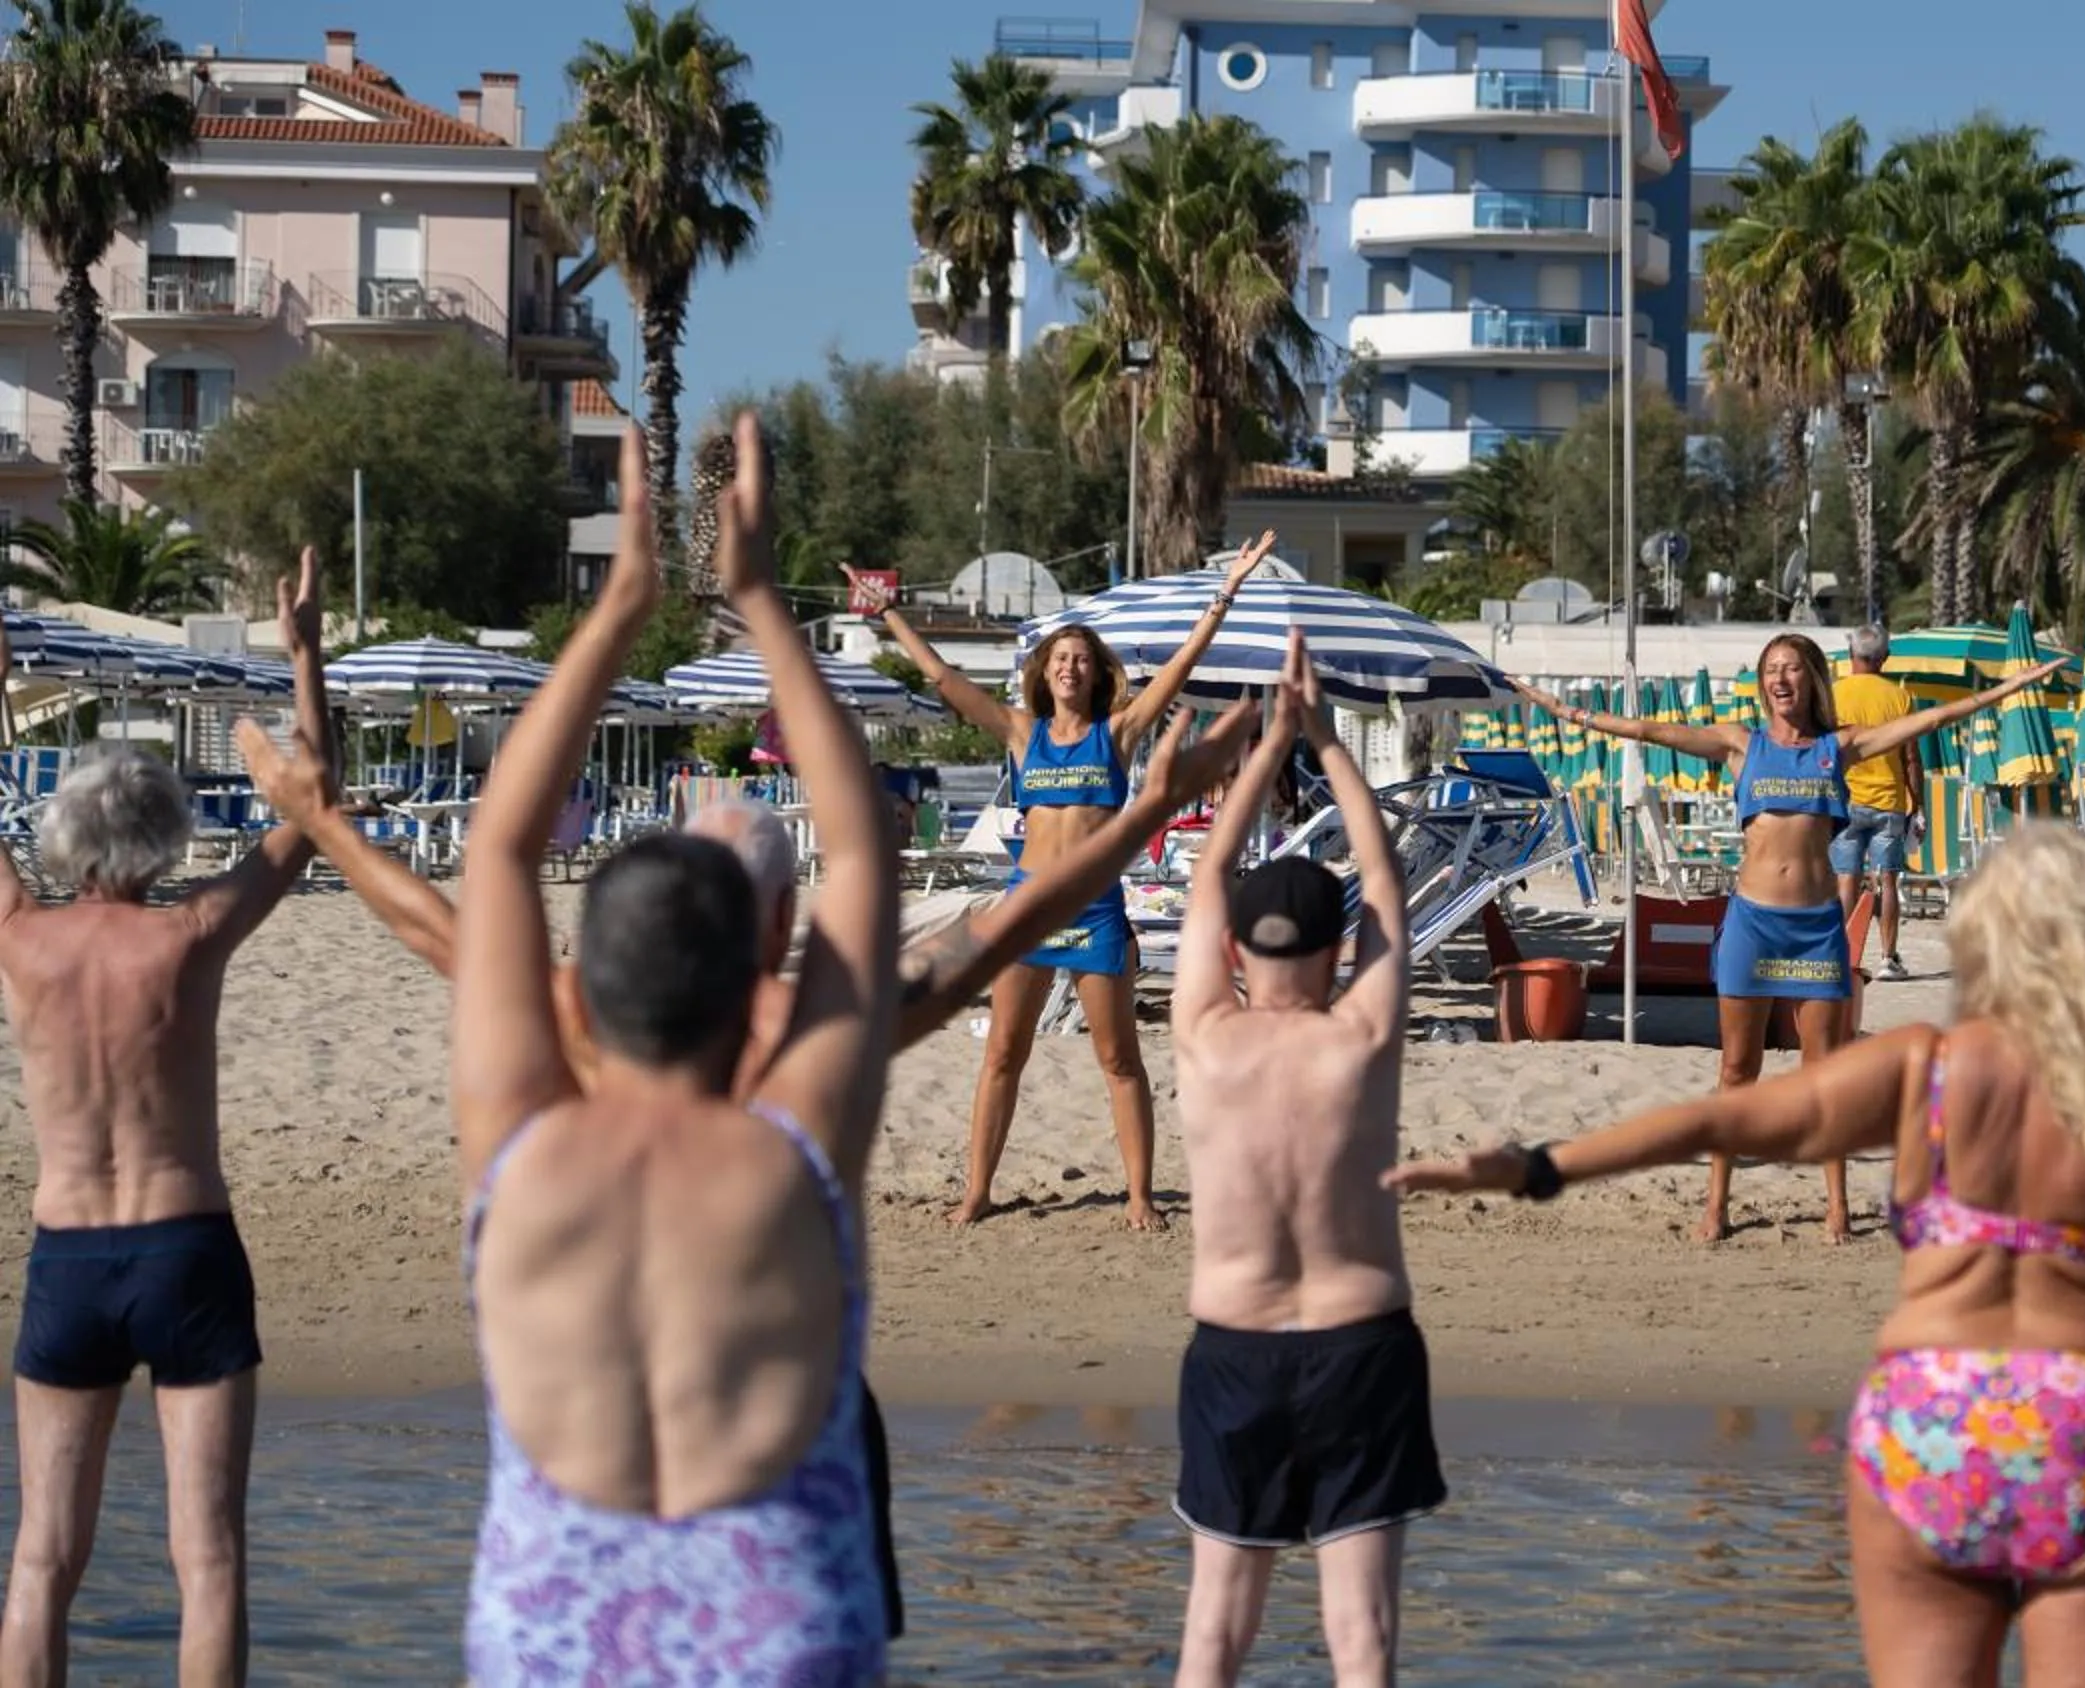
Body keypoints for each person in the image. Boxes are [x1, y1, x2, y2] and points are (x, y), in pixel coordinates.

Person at [230, 531, 1257, 1648]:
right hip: (781, 1622)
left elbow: (469, 893)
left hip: (553, 1636)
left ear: (583, 969)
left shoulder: (528, 1112)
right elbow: (931, 890)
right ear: (780, 932)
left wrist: (325, 812)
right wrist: (1154, 811)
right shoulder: (806, 1088)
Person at [1387, 820, 2085, 1687]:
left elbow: (1717, 1117)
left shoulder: (1928, 1069)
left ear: (1982, 941)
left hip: (1932, 1419)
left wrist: (1537, 1164)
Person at [451, 414, 900, 1681]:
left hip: (552, 1624)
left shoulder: (521, 1138)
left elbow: (497, 846)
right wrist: (758, 601)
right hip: (778, 1620)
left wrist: (619, 609)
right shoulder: (799, 1148)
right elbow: (861, 847)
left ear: (576, 1000)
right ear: (768, 961)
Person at [0, 550, 332, 1688]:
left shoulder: (19, 936)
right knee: (211, 1556)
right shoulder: (190, 934)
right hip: (185, 1247)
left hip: (70, 1256)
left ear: (65, 837)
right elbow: (308, 808)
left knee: (42, 1556)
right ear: (163, 837)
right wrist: (303, 656)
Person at [1518, 635, 2062, 1243]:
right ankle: (1716, 1206)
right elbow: (1648, 731)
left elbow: (1930, 719)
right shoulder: (1737, 744)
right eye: (1772, 670)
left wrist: (2009, 689)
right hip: (1753, 924)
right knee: (1736, 1071)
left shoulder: (1839, 747)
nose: (1782, 680)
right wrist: (1568, 713)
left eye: (1794, 670)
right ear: (1762, 683)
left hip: (1815, 931)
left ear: (1813, 681)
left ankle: (1836, 1209)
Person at [1166, 632, 1438, 1688]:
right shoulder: (1362, 1031)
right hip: (1360, 1343)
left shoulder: (1203, 1033)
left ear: (1237, 951)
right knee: (1361, 1641)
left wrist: (1265, 742)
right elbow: (1381, 876)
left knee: (1212, 1637)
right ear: (1340, 950)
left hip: (1234, 1346)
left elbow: (1204, 878)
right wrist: (1325, 742)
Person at [864, 539, 1277, 1232]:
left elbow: (1180, 669)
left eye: (1081, 660)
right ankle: (978, 1192)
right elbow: (942, 678)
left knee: (1119, 1058)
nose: (1070, 667)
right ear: (1044, 672)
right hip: (1026, 912)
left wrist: (1226, 594)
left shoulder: (1117, 735)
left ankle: (1141, 1195)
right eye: (1060, 659)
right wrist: (891, 615)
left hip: (1096, 913)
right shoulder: (1023, 735)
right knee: (1002, 1055)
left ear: (1095, 675)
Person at [1831, 626, 1921, 982]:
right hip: (1889, 801)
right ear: (1885, 658)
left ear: (1850, 654)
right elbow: (1911, 759)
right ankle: (1887, 958)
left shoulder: (1833, 695)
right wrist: (1919, 803)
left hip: (1846, 800)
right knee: (1888, 880)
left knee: (1846, 881)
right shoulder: (1900, 698)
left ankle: (1842, 956)